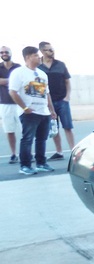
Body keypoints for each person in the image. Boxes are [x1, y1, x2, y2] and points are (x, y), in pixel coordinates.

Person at [8, 46, 57, 176]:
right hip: (29, 113)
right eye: (36, 55)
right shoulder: (19, 73)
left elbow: (47, 93)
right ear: (28, 57)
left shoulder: (42, 74)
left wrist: (51, 110)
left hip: (44, 112)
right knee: (27, 139)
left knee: (41, 139)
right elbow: (13, 92)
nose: (39, 57)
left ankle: (41, 163)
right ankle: (25, 166)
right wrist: (25, 108)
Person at [38, 41, 74, 160]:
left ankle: (73, 150)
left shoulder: (60, 65)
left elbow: (67, 81)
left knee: (67, 126)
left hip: (62, 101)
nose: (52, 52)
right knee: (54, 128)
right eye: (49, 50)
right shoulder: (38, 67)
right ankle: (59, 152)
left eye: (52, 49)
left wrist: (67, 97)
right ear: (42, 51)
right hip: (48, 103)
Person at [1, 46, 21, 163]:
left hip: (19, 103)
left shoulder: (18, 67)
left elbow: (22, 81)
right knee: (9, 130)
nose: (4, 54)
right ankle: (13, 154)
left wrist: (4, 81)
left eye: (6, 52)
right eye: (1, 52)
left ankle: (27, 154)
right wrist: (12, 80)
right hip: (5, 104)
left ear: (11, 53)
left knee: (25, 131)